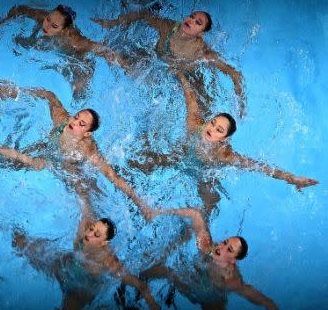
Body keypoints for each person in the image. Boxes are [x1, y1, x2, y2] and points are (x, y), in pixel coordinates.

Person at [130, 70, 317, 217]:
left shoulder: (223, 155)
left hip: (202, 173)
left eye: (219, 130)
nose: (211, 129)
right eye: (212, 123)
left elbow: (259, 166)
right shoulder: (195, 125)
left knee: (211, 204)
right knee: (140, 162)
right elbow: (190, 96)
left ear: (224, 139)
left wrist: (292, 179)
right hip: (180, 156)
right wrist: (178, 72)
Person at [13, 195, 178, 310]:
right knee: (19, 242)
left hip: (81, 288)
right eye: (92, 229)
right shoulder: (83, 232)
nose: (89, 235)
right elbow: (85, 200)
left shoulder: (107, 261)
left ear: (104, 243)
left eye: (97, 235)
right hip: (63, 267)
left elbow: (141, 286)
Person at [0, 80, 153, 218]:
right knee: (5, 164)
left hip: (70, 167)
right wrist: (16, 91)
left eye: (81, 124)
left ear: (87, 133)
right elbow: (50, 95)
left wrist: (141, 203)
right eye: (77, 117)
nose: (74, 122)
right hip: (48, 149)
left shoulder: (87, 149)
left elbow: (112, 175)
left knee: (84, 199)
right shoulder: (62, 120)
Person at [141, 206, 289, 310]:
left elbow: (267, 303)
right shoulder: (207, 247)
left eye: (229, 249)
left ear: (233, 261)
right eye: (225, 242)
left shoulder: (232, 281)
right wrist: (155, 212)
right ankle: (137, 277)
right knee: (167, 272)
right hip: (193, 280)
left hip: (211, 299)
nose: (221, 247)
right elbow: (195, 214)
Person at [91, 7, 246, 119]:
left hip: (186, 76)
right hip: (159, 63)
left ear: (201, 34)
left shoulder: (202, 52)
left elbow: (235, 74)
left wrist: (240, 103)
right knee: (118, 53)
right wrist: (113, 23)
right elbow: (143, 14)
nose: (191, 21)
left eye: (197, 22)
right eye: (192, 16)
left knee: (201, 111)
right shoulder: (169, 27)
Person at [0, 3, 132, 100]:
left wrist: (122, 64)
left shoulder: (74, 41)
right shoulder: (43, 18)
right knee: (19, 43)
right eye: (48, 19)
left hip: (75, 58)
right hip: (51, 47)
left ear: (64, 29)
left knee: (80, 93)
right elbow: (19, 9)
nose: (46, 26)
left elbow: (99, 48)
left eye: (54, 26)